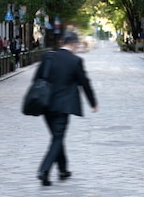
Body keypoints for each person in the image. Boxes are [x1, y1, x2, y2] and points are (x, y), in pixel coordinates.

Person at [35, 31, 98, 186]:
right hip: (63, 106)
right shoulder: (75, 61)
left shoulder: (48, 57)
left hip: (45, 104)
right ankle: (44, 170)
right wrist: (93, 102)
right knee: (58, 138)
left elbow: (38, 79)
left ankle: (63, 170)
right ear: (74, 43)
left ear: (62, 42)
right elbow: (85, 83)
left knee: (57, 137)